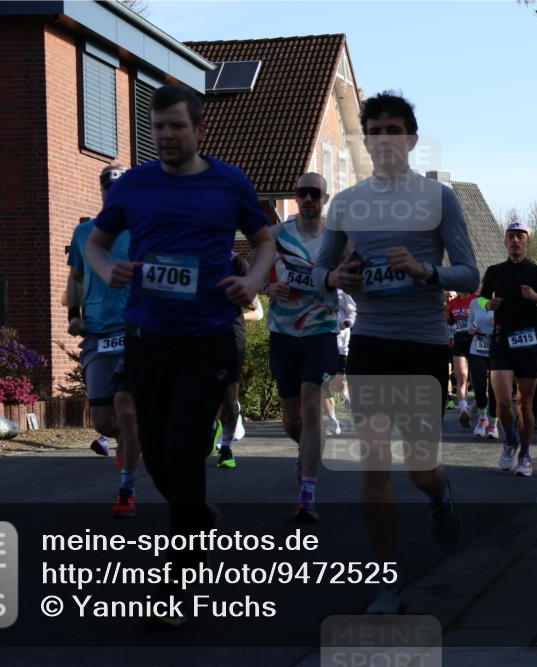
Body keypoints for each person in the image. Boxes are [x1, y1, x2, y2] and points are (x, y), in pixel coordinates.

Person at [85, 85, 275, 627]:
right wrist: (106, 271)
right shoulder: (135, 186)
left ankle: (179, 581)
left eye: (177, 127)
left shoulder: (231, 182)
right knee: (159, 455)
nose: (167, 136)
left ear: (199, 131)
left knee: (186, 451)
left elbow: (263, 242)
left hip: (209, 334)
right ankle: (196, 516)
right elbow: (96, 245)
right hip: (149, 336)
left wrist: (255, 282)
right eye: (159, 127)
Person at [313, 92, 478, 614]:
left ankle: (441, 496)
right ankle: (386, 583)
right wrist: (336, 277)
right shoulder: (346, 204)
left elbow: (471, 274)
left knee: (419, 468)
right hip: (371, 342)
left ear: (410, 138)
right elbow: (318, 274)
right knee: (375, 465)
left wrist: (425, 271)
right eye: (374, 131)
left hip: (424, 343)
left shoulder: (439, 199)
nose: (383, 140)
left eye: (393, 131)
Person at [66, 164, 144, 517]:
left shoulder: (144, 230)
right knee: (103, 422)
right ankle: (134, 446)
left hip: (134, 332)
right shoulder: (85, 232)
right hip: (97, 333)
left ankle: (126, 490)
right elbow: (76, 277)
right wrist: (73, 316)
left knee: (127, 410)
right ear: (101, 191)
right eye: (107, 186)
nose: (112, 192)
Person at [264, 172, 340, 524]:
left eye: (315, 193)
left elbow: (357, 271)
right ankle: (306, 452)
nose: (308, 198)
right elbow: (257, 272)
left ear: (325, 199)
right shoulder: (277, 236)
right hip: (283, 334)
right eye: (302, 193)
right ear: (296, 198)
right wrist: (268, 288)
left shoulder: (337, 240)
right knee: (292, 420)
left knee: (313, 398)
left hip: (322, 330)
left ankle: (307, 494)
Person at [480, 221, 537, 476]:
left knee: (525, 404)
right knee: (503, 402)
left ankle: (525, 453)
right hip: (502, 341)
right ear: (505, 241)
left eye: (520, 237)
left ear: (528, 242)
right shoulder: (494, 271)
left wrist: (536, 298)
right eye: (511, 236)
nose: (516, 241)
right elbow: (480, 298)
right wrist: (487, 304)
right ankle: (509, 440)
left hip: (528, 342)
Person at [211, 250, 264, 469]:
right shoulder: (190, 254)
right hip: (196, 332)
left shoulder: (236, 262)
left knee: (228, 394)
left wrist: (242, 293)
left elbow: (256, 307)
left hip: (230, 336)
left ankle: (226, 447)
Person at [324, 289, 357, 436]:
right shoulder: (310, 287)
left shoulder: (341, 290)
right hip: (318, 342)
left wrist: (343, 324)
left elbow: (354, 313)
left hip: (339, 346)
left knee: (335, 381)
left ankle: (347, 396)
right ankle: (333, 422)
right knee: (323, 383)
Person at [467, 295, 499, 439]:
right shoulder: (475, 303)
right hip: (477, 347)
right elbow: (469, 323)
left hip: (496, 348)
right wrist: (471, 329)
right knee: (479, 386)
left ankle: (493, 424)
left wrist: (499, 324)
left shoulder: (503, 303)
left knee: (495, 389)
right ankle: (483, 418)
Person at [446, 291, 476, 426]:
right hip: (459, 342)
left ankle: (479, 406)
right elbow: (449, 321)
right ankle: (463, 411)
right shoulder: (453, 303)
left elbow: (487, 317)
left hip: (475, 341)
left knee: (476, 378)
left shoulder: (477, 299)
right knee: (461, 377)